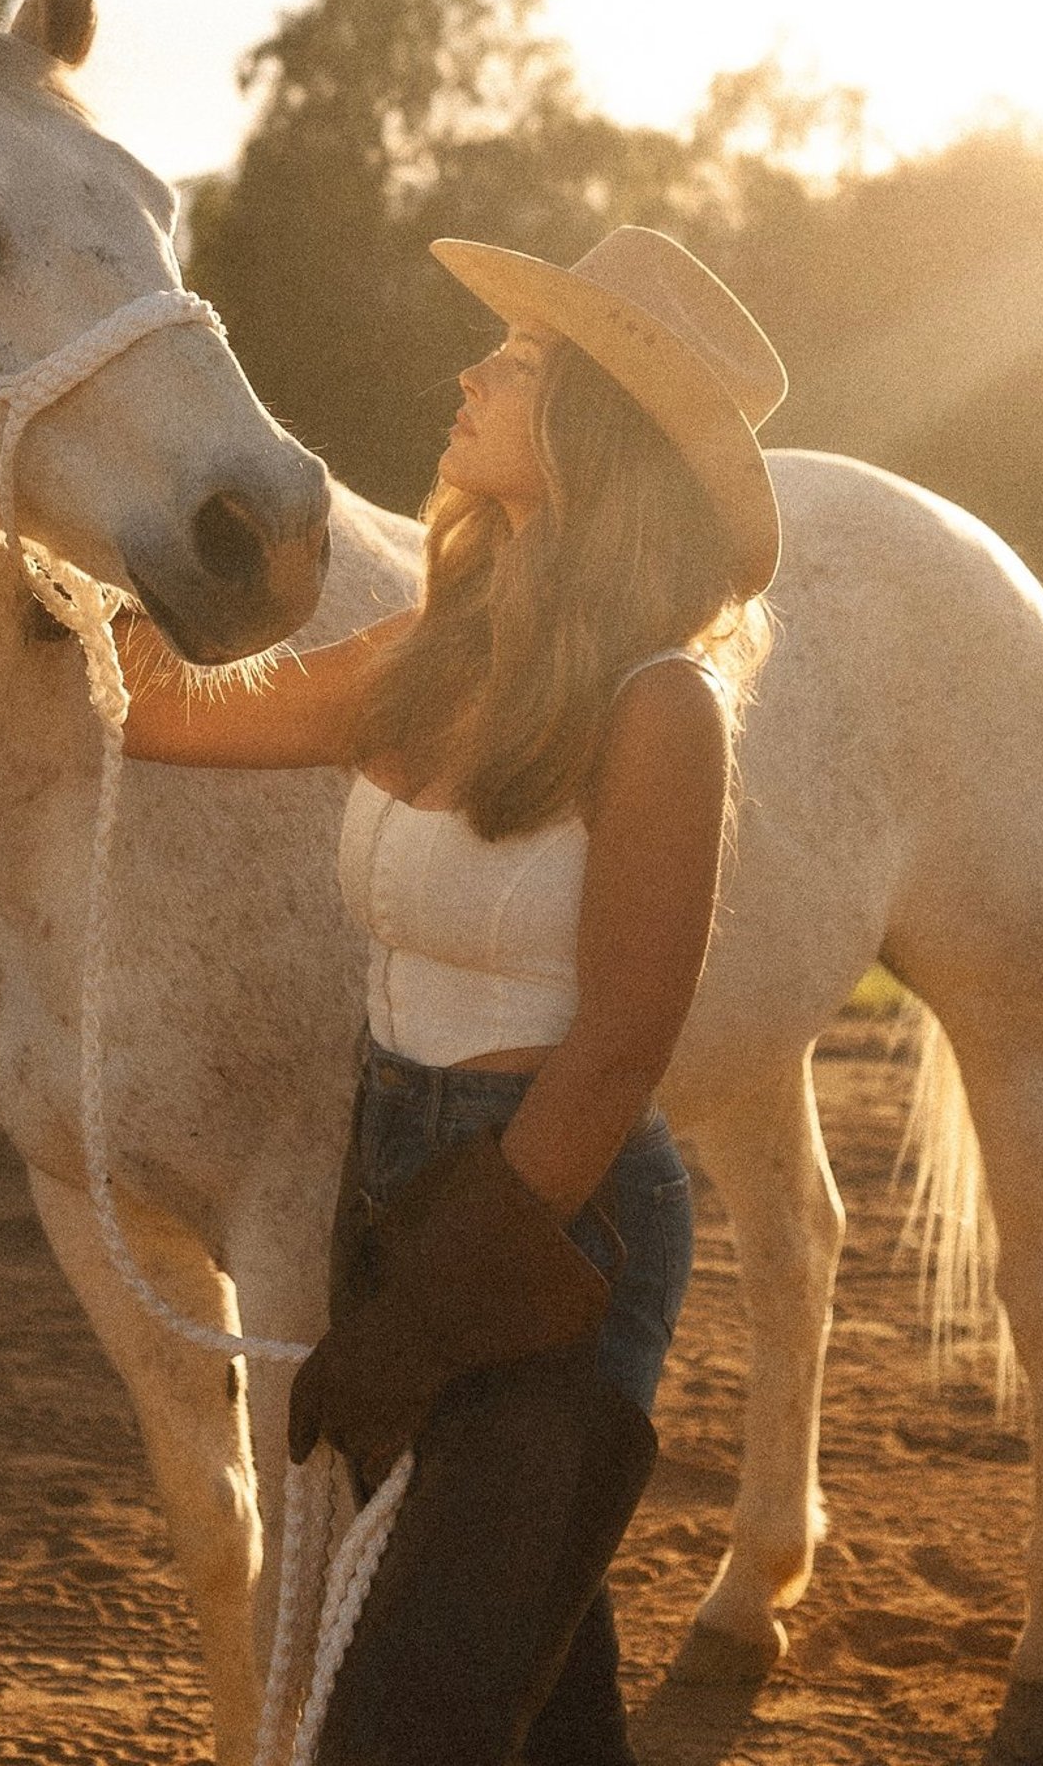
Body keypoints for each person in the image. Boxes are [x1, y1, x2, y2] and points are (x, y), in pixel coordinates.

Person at [116, 225, 786, 1766]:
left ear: (594, 432)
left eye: (525, 363)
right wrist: (40, 568)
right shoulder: (437, 647)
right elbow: (163, 717)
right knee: (538, 1705)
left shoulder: (663, 707)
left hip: (558, 1226)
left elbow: (620, 1047)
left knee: (407, 1717)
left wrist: (421, 1322)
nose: (473, 370)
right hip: (403, 1189)